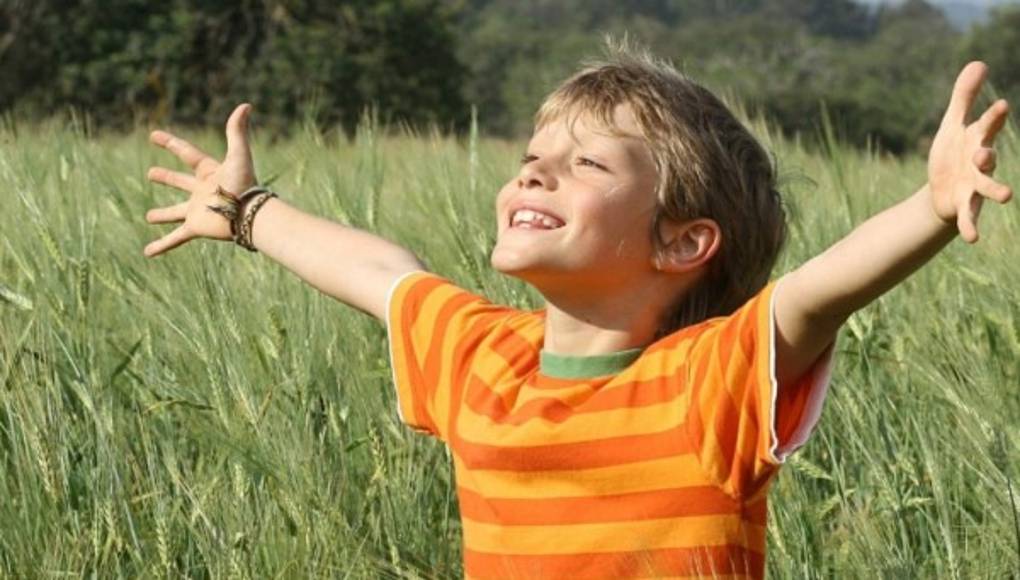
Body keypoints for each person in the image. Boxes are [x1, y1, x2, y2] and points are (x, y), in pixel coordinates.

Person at [142, 45, 1012, 579]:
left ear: (682, 244)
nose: (533, 172)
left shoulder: (707, 383)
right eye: (531, 156)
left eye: (588, 165)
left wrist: (930, 209)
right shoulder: (484, 358)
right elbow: (381, 273)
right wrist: (248, 212)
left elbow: (819, 292)